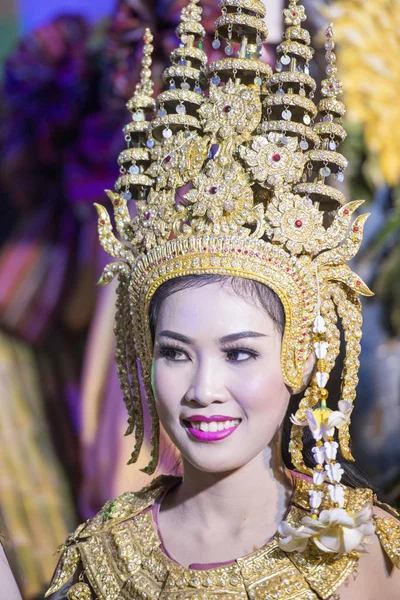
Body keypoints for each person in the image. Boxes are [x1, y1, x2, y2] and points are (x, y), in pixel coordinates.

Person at [45, 1, 400, 599]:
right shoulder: (100, 558)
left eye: (239, 354)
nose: (202, 388)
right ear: (142, 354)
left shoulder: (363, 555)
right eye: (177, 353)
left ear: (302, 357)